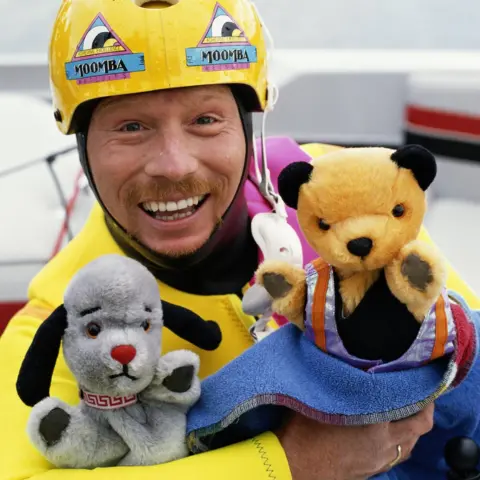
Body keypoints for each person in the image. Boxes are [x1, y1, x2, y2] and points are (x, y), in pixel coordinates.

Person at [1, 0, 479, 479]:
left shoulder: (336, 193)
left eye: (205, 120)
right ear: (83, 147)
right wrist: (289, 464)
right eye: (131, 127)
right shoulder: (59, 323)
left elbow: (461, 332)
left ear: (249, 128)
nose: (175, 165)